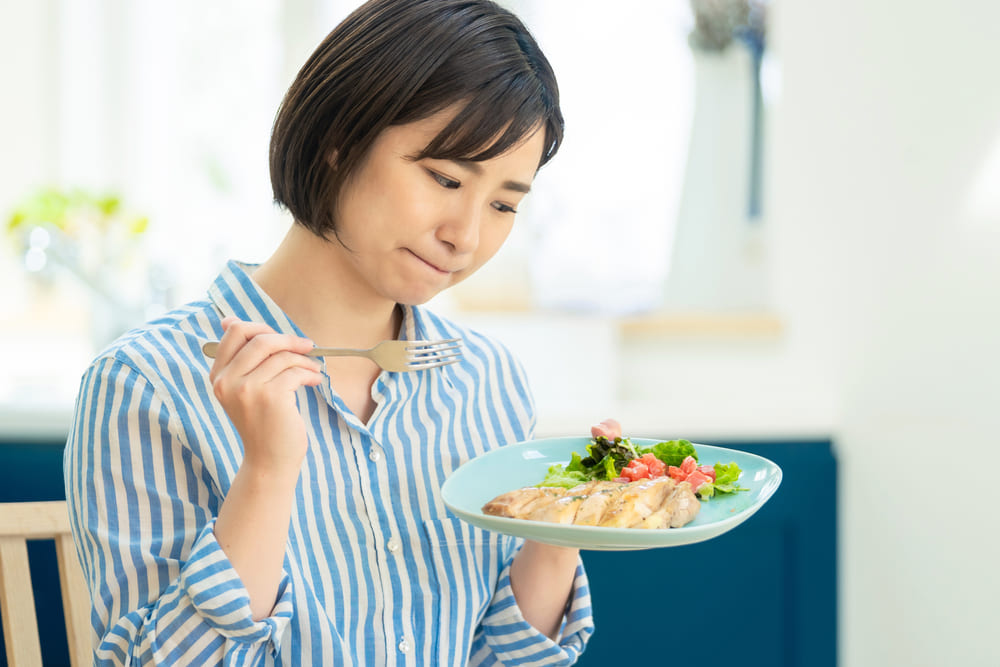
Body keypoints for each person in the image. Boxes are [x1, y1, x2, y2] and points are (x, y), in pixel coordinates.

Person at [64, 0, 620, 664]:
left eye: (503, 204)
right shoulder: (146, 385)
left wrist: (560, 530)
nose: (466, 236)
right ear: (340, 141)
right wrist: (267, 474)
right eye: (445, 178)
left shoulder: (486, 381)